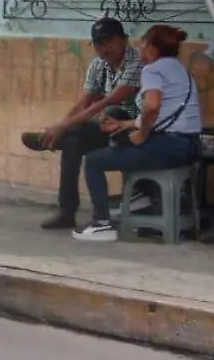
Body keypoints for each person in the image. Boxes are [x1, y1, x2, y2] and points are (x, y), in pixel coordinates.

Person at [73, 25, 203, 242]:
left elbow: (152, 106)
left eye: (142, 43)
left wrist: (141, 133)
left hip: (168, 146)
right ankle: (141, 202)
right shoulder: (180, 70)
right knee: (123, 141)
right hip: (189, 146)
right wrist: (125, 124)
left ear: (152, 47)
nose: (139, 47)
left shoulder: (152, 70)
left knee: (95, 160)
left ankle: (102, 223)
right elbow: (164, 114)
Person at [20, 18, 142, 230]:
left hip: (132, 127)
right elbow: (85, 101)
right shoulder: (98, 65)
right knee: (73, 141)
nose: (104, 49)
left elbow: (109, 100)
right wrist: (62, 124)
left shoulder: (137, 62)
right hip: (103, 124)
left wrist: (62, 127)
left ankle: (50, 140)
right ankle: (66, 211)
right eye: (98, 44)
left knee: (107, 113)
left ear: (123, 40)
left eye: (108, 41)